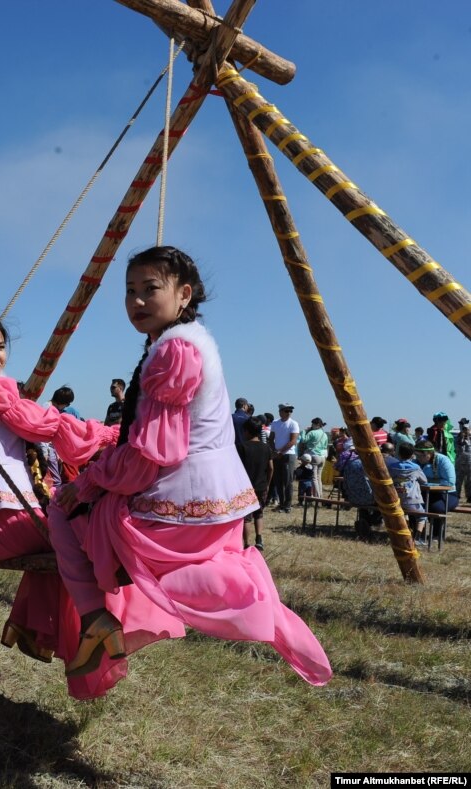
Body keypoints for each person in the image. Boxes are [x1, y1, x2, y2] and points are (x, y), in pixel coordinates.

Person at [47, 245, 331, 693]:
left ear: (183, 294)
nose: (137, 301)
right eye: (129, 291)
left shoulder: (172, 352)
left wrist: (87, 483)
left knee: (63, 512)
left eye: (150, 289)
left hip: (179, 499)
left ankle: (98, 616)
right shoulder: (193, 339)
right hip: (220, 502)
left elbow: (150, 454)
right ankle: (227, 587)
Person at [0, 313, 118, 700]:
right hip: (9, 521)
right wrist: (111, 433)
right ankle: (93, 628)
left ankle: (45, 628)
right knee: (107, 533)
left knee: (67, 539)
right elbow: (50, 427)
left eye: (1, 346)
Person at [237, 416, 272, 551]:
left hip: (245, 487)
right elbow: (271, 468)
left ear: (247, 431)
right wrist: (268, 483)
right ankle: (259, 539)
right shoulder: (266, 448)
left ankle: (246, 543)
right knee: (259, 513)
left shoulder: (241, 447)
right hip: (261, 486)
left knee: (246, 517)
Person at [385, 442, 429, 546]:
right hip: (412, 499)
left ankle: (406, 534)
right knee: (422, 516)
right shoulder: (415, 467)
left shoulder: (392, 467)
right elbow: (424, 481)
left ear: (398, 454)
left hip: (396, 499)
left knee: (404, 513)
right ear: (412, 454)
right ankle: (417, 537)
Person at [414, 440, 458, 529]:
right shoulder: (416, 462)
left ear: (429, 453)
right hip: (425, 493)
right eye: (417, 455)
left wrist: (427, 481)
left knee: (436, 508)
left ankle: (437, 535)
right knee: (414, 506)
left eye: (421, 456)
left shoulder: (443, 460)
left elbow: (450, 482)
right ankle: (417, 534)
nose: (418, 458)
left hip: (447, 494)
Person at [269, 404, 300, 512]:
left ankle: (287, 505)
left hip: (288, 455)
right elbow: (271, 438)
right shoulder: (275, 423)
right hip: (277, 455)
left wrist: (280, 452)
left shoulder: (293, 424)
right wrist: (274, 451)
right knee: (278, 481)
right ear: (280, 411)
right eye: (286, 410)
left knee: (287, 481)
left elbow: (293, 441)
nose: (289, 413)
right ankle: (281, 504)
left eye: (290, 411)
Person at [300, 417, 329, 497]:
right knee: (319, 478)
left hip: (314, 455)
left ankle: (317, 497)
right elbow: (325, 446)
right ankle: (320, 495)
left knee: (314, 478)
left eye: (312, 423)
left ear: (316, 424)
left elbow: (303, 440)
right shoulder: (325, 434)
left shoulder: (312, 433)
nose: (311, 425)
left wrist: (304, 431)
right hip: (322, 457)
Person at [456, 418, 471, 504]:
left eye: (466, 429)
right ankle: (456, 495)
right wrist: (462, 436)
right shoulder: (459, 436)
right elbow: (459, 445)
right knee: (458, 479)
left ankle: (469, 496)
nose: (465, 430)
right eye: (463, 428)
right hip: (460, 461)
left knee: (469, 480)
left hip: (469, 461)